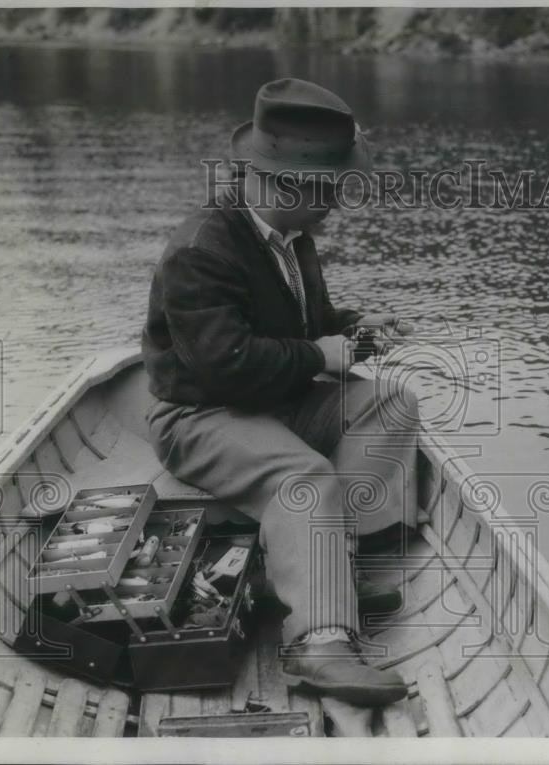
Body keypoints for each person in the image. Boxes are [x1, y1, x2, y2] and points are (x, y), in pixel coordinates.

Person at [141, 78, 419, 706]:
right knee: (305, 476)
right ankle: (317, 645)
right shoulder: (200, 249)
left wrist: (349, 327)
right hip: (200, 414)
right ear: (285, 182)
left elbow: (299, 323)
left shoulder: (293, 236)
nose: (338, 203)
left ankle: (334, 570)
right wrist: (319, 355)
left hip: (267, 400)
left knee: (390, 402)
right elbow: (223, 366)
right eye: (331, 188)